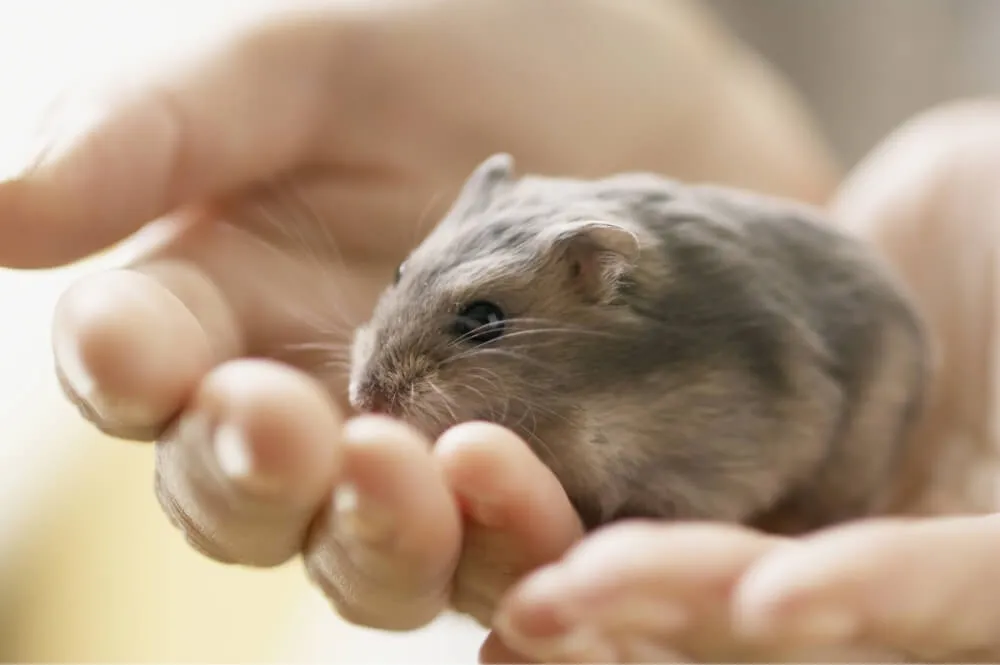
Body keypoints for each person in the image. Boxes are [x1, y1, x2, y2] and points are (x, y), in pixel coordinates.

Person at [2, 1, 997, 661]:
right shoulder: (539, 273)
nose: (380, 366)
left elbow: (763, 430)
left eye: (479, 320)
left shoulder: (689, 369)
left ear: (599, 276)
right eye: (403, 282)